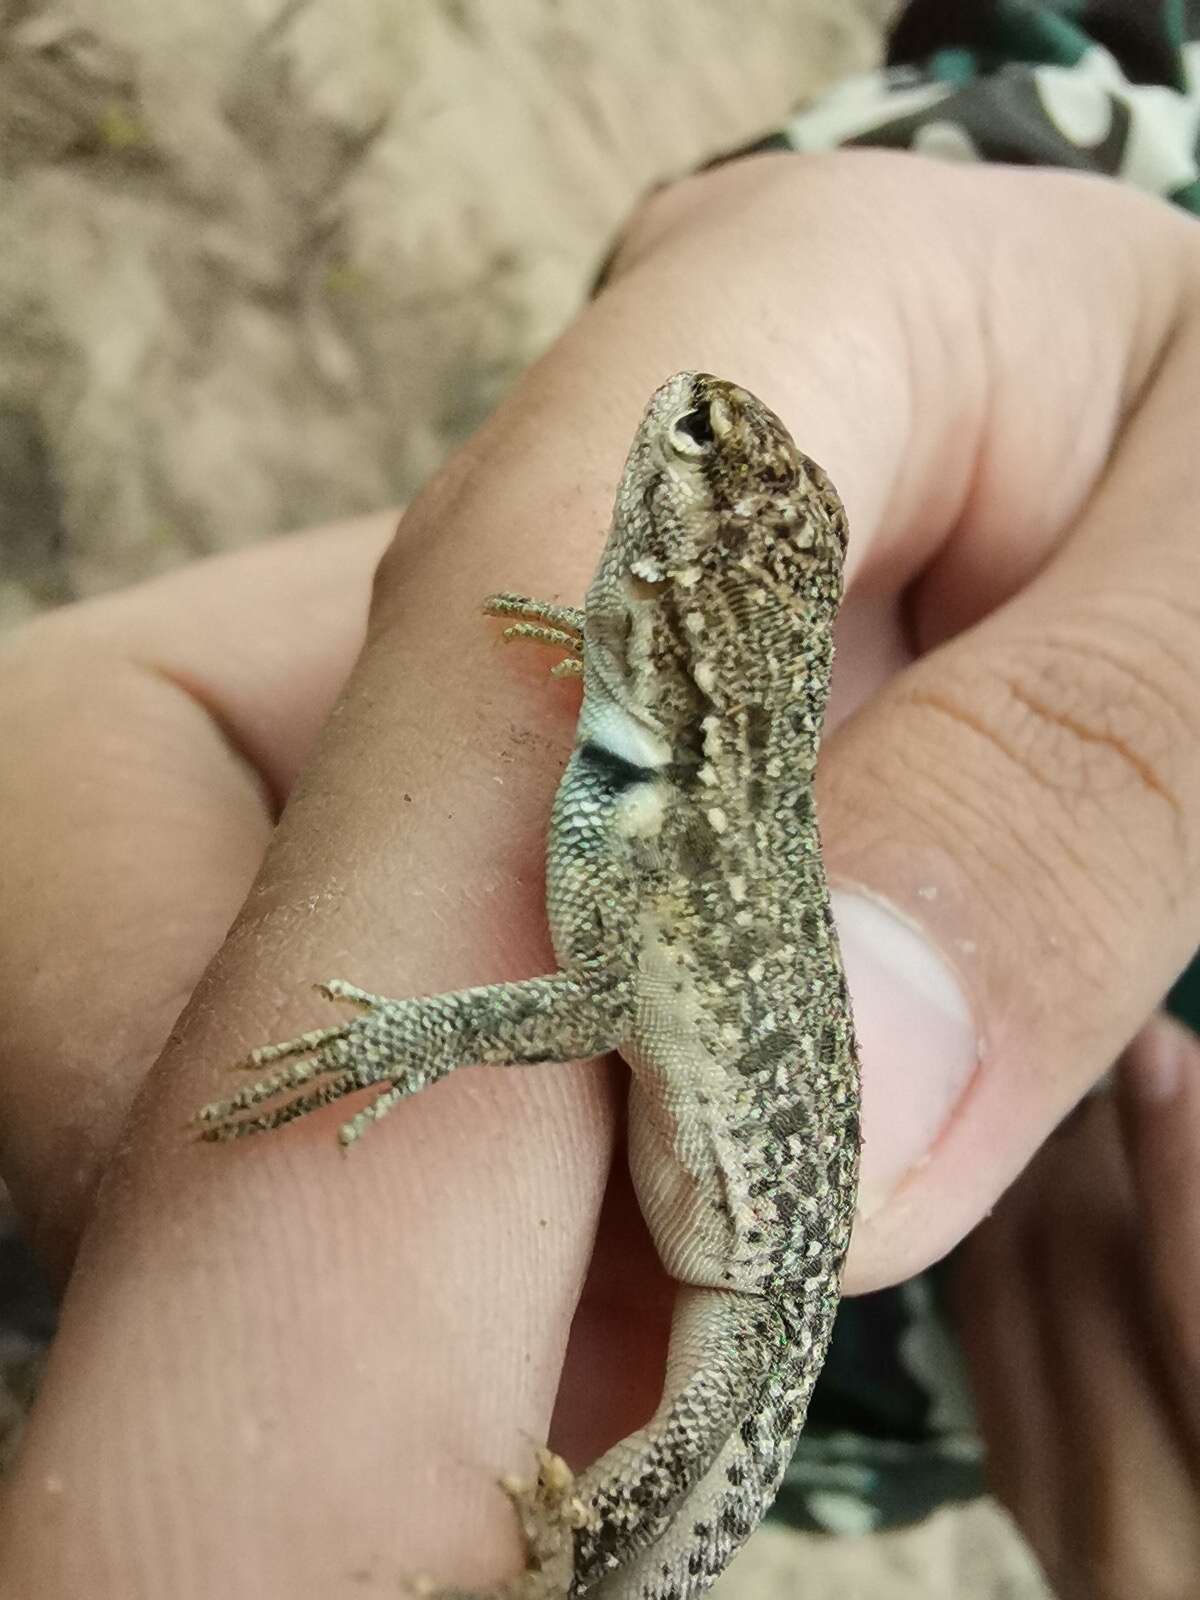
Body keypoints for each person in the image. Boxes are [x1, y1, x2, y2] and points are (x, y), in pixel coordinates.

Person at [1, 7, 1198, 1599]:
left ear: (671, 621)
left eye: (664, 541)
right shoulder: (678, 776)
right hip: (731, 1266)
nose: (676, 448)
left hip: (765, 1321)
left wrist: (400, 1037)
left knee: (612, 1543)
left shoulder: (674, 831)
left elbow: (597, 1002)